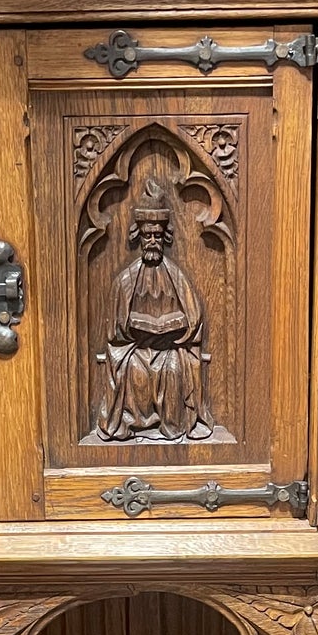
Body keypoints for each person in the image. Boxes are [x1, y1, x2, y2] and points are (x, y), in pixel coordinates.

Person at [97, 180, 214, 441]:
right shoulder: (126, 280)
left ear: (164, 238)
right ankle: (133, 423)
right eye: (147, 235)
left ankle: (171, 425)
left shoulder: (176, 276)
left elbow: (194, 319)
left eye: (157, 236)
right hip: (133, 350)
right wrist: (134, 327)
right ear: (139, 236)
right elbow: (114, 329)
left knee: (172, 369)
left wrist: (175, 328)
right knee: (135, 371)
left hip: (172, 348)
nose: (152, 241)